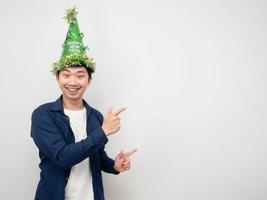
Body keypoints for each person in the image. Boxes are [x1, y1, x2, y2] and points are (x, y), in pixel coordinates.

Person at [31, 7, 137, 200]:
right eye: (66, 75)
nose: (73, 82)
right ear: (58, 78)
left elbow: (95, 157)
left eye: (80, 76)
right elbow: (62, 157)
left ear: (89, 81)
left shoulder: (95, 116)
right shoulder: (43, 115)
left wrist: (114, 165)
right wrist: (103, 131)